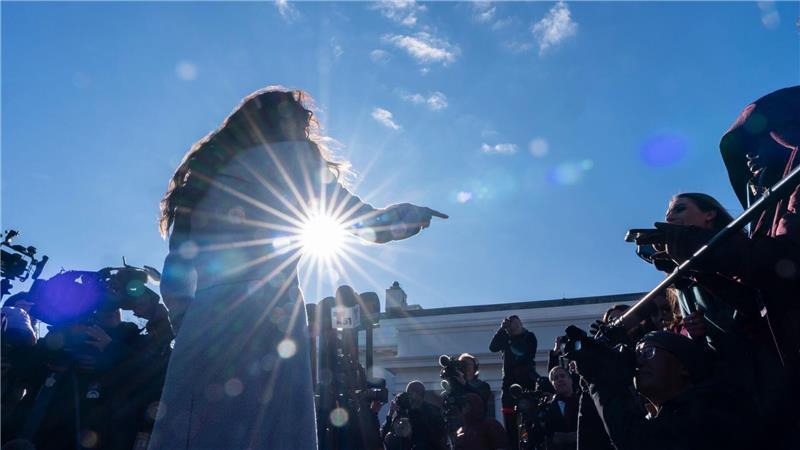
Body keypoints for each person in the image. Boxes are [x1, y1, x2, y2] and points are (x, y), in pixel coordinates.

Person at [150, 87, 447, 449]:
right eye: (304, 117)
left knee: (195, 431)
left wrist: (185, 319)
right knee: (268, 430)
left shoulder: (203, 175)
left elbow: (177, 264)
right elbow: (360, 220)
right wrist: (408, 216)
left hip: (206, 318)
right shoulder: (296, 158)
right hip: (269, 316)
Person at [572, 330, 757, 450]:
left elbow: (635, 442)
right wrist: (590, 383)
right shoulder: (654, 418)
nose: (639, 362)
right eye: (636, 356)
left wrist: (601, 379)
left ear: (683, 365)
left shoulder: (711, 407)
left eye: (648, 352)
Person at [489, 315, 538, 450]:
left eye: (517, 323)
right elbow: (493, 347)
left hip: (526, 384)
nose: (515, 325)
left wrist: (510, 340)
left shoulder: (529, 337)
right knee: (510, 424)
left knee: (530, 421)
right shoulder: (506, 338)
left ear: (522, 324)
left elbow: (526, 354)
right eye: (512, 324)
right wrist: (502, 330)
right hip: (509, 385)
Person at [383, 381, 448, 450]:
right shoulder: (405, 411)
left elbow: (439, 436)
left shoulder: (432, 411)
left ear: (420, 395)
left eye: (412, 395)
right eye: (408, 395)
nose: (411, 399)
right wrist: (390, 414)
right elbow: (385, 434)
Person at [539, 367, 577, 450]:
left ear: (571, 380)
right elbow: (547, 436)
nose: (559, 379)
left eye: (562, 376)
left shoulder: (584, 402)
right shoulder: (547, 408)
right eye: (555, 378)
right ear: (553, 384)